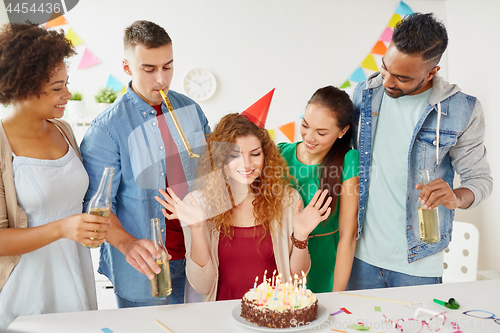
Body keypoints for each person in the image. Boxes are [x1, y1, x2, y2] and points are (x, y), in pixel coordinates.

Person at [348, 13, 493, 290]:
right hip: (360, 256)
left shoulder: (462, 110)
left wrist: (455, 197)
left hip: (418, 262)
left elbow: (481, 181)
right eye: (385, 68)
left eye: (402, 77)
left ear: (431, 72)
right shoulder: (365, 94)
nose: (388, 81)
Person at [80, 20, 210, 308]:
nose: (161, 80)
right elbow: (98, 207)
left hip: (197, 258)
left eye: (168, 66)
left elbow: (210, 175)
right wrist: (127, 244)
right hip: (143, 268)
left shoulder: (192, 110)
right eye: (149, 69)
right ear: (127, 67)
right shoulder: (106, 128)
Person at [0, 23, 110, 327]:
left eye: (66, 84)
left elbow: (83, 208)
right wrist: (62, 228)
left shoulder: (64, 130)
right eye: (56, 89)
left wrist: (127, 244)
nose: (68, 94)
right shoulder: (1, 144)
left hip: (75, 277)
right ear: (22, 88)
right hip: (24, 291)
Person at [156, 113, 332, 301]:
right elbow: (203, 286)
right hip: (222, 312)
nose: (247, 164)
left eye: (255, 154)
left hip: (274, 310)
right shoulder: (197, 204)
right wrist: (197, 227)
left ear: (266, 156)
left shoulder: (287, 200)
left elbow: (298, 275)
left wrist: (301, 236)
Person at [277, 86, 359, 293]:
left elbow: (347, 236)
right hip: (282, 258)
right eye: (305, 125)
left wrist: (337, 293)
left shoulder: (348, 161)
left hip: (325, 262)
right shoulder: (278, 154)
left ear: (342, 131)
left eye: (321, 132)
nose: (309, 137)